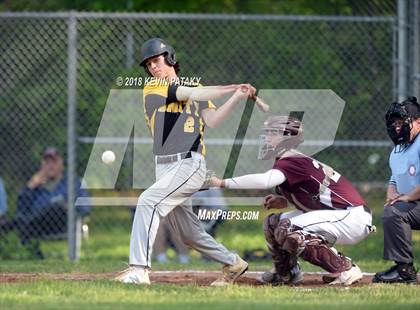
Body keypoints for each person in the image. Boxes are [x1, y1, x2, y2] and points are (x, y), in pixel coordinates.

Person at [114, 38, 256, 286]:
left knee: (148, 200)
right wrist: (229, 87)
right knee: (188, 233)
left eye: (157, 60)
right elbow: (187, 92)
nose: (153, 67)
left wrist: (237, 96)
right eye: (148, 64)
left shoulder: (195, 87)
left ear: (170, 58)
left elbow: (212, 120)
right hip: (165, 166)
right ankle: (233, 262)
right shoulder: (153, 88)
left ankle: (139, 269)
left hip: (190, 164)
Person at [210, 115, 374, 286]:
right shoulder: (288, 160)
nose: (267, 138)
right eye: (266, 133)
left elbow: (266, 181)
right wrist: (283, 200)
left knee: (288, 227)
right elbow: (312, 195)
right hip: (339, 214)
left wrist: (222, 183)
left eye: (273, 133)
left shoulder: (292, 159)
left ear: (288, 137)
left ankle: (345, 268)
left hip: (352, 216)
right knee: (272, 223)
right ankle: (287, 272)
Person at [0, 147, 91, 258]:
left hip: (63, 223)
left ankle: (20, 239)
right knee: (20, 219)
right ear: (42, 166)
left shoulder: (73, 181)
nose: (50, 165)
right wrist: (30, 186)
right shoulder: (37, 185)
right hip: (39, 226)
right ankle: (33, 254)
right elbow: (21, 209)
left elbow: (85, 208)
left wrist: (70, 208)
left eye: (54, 161)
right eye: (47, 162)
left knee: (55, 207)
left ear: (62, 164)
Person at [373, 97, 420, 284]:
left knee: (395, 211)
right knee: (392, 211)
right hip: (415, 205)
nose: (397, 127)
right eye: (395, 123)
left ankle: (404, 270)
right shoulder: (398, 150)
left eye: (402, 122)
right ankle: (404, 270)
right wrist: (391, 194)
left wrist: (407, 197)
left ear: (418, 122)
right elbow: (394, 178)